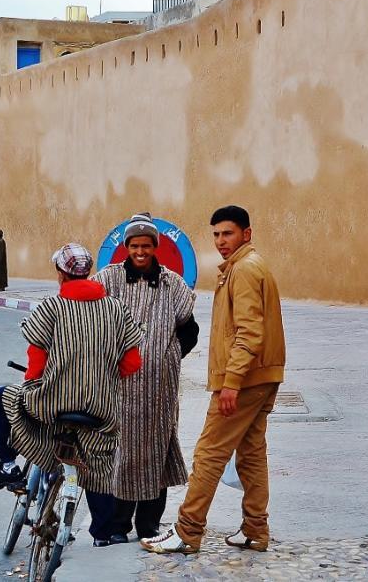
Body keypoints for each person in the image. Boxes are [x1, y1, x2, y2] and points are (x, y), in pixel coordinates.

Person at [143, 205, 285, 555]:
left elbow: (249, 332)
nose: (221, 241)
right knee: (250, 453)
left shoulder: (246, 270)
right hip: (260, 375)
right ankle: (255, 529)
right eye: (217, 235)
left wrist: (231, 382)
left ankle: (187, 531)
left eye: (228, 234)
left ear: (246, 234)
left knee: (209, 453)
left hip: (245, 379)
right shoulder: (241, 267)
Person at [0, 243, 144, 546]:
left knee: (1, 397)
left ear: (61, 274)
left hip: (52, 406)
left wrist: (37, 384)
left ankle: (8, 467)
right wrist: (102, 380)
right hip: (101, 409)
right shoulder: (116, 309)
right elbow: (133, 362)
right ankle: (103, 534)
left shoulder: (50, 307)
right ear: (90, 274)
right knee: (99, 463)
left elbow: (35, 364)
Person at [93, 212, 197, 544]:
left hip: (158, 389)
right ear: (127, 247)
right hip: (119, 387)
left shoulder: (171, 283)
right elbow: (90, 317)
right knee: (122, 453)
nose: (140, 251)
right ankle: (119, 525)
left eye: (146, 245)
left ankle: (149, 525)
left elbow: (190, 330)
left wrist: (168, 355)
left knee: (157, 451)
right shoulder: (108, 280)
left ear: (155, 246)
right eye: (135, 245)